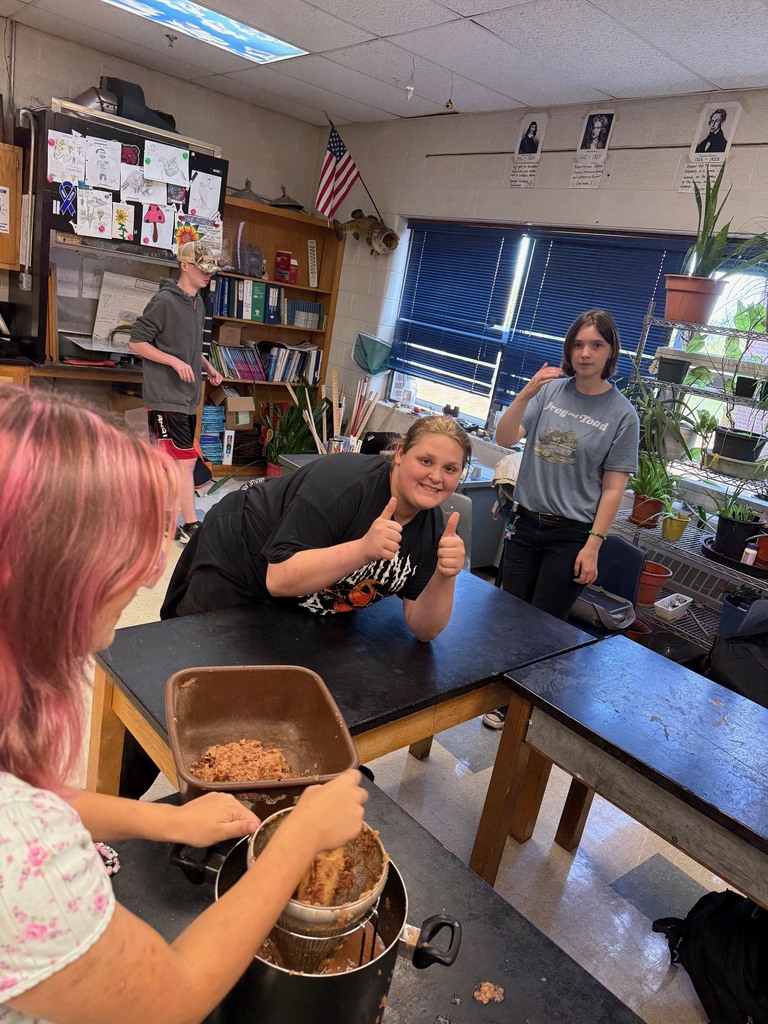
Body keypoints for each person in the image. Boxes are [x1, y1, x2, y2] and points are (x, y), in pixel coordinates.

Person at [0, 386, 367, 1024]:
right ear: (49, 578)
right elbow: (168, 999)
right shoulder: (25, 863)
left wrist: (165, 822)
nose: (146, 582)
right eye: (125, 561)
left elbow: (30, 800)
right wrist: (301, 833)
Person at [162, 415, 471, 643]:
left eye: (449, 469)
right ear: (400, 454)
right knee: (194, 659)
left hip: (304, 599)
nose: (435, 477)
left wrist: (445, 576)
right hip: (240, 552)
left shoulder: (432, 527)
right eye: (426, 460)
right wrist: (362, 550)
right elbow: (279, 578)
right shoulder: (343, 485)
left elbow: (424, 629)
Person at [482, 310, 639, 729]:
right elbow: (504, 438)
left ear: (610, 353)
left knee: (543, 625)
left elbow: (613, 489)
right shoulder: (549, 393)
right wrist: (525, 394)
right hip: (525, 522)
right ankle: (497, 693)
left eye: (596, 345)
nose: (585, 353)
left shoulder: (623, 415)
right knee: (508, 614)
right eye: (578, 344)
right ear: (569, 349)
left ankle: (519, 707)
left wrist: (593, 545)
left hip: (571, 535)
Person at [128, 240, 223, 546]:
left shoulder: (198, 304)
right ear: (185, 265)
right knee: (181, 462)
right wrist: (173, 361)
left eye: (210, 270)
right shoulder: (164, 302)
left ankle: (169, 524)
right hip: (164, 396)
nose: (207, 275)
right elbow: (136, 342)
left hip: (187, 396)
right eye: (202, 269)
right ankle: (188, 524)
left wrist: (207, 366)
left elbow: (191, 348)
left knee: (177, 463)